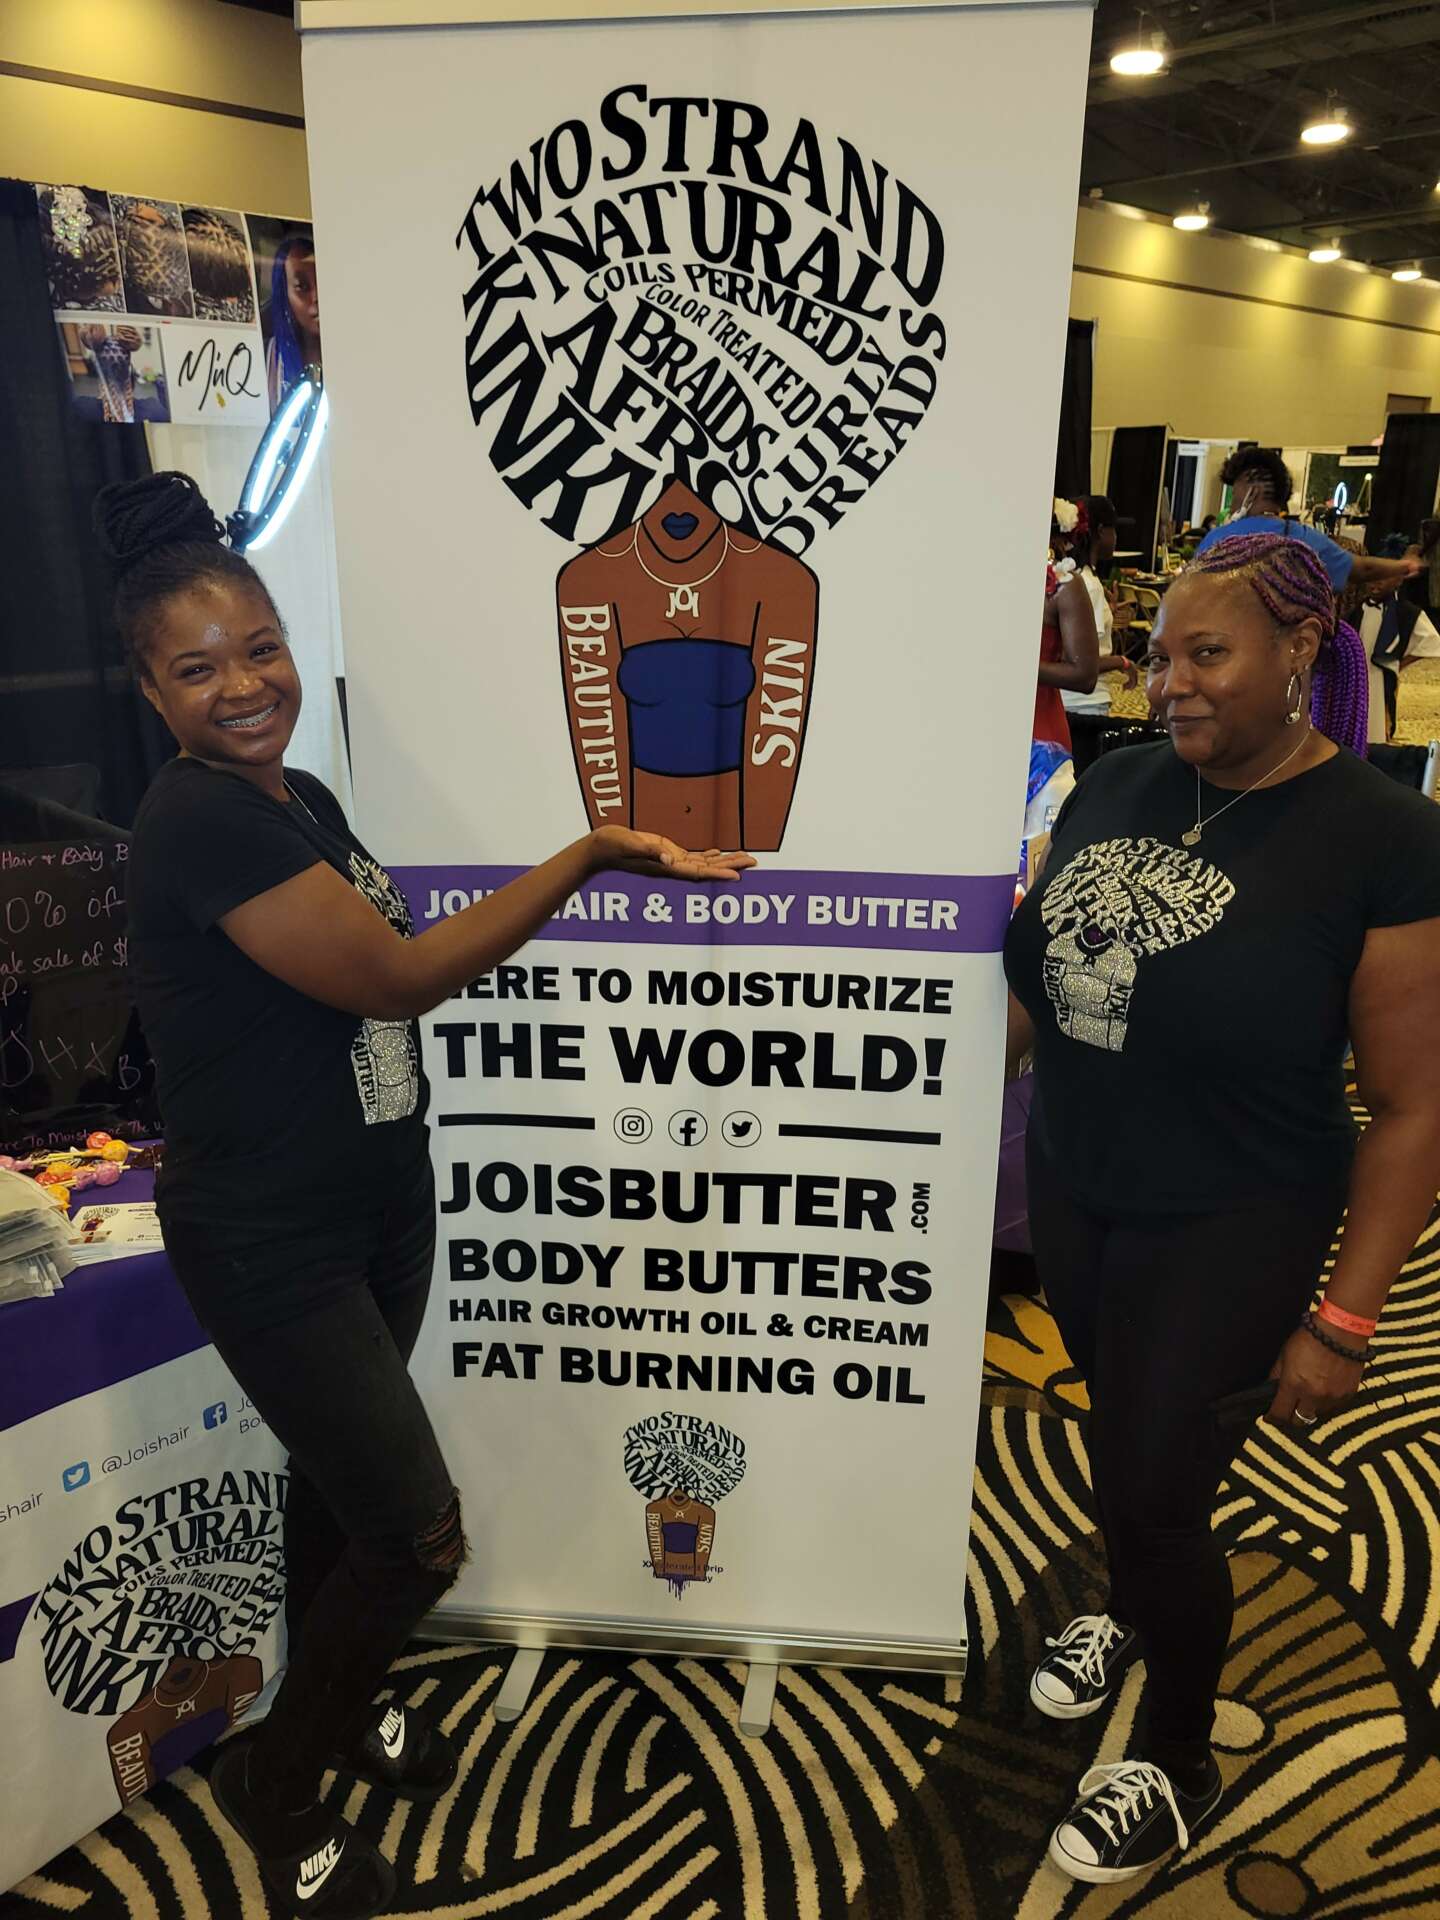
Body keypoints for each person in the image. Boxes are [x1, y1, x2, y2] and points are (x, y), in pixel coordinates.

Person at [98, 470, 753, 1920]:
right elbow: (396, 978)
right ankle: (281, 1792)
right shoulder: (200, 821)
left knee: (338, 1496)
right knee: (415, 1536)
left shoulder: (299, 797)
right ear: (150, 692)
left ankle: (329, 1708)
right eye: (198, 671)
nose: (245, 686)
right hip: (269, 1239)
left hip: (378, 1208)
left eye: (261, 648)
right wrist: (589, 853)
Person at [1003, 532, 1440, 1885]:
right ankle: (1136, 1606)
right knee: (1124, 1432)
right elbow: (1040, 983)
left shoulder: (1384, 837)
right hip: (1080, 1185)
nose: (1169, 684)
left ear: (1302, 651)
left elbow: (1414, 1108)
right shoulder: (1121, 781)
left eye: (1207, 655)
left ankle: (1179, 1752)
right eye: (1158, 656)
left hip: (1237, 1215)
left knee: (1155, 1485)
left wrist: (1346, 1318)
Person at [1198, 447, 1419, 595]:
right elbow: (1364, 569)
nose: (1232, 504)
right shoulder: (1304, 538)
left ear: (1252, 492)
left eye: (1234, 493)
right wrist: (1405, 565)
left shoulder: (1218, 539)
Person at [265, 234, 321, 410]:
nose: (317, 297)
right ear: (285, 296)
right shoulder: (268, 359)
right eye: (302, 287)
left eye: (322, 283)